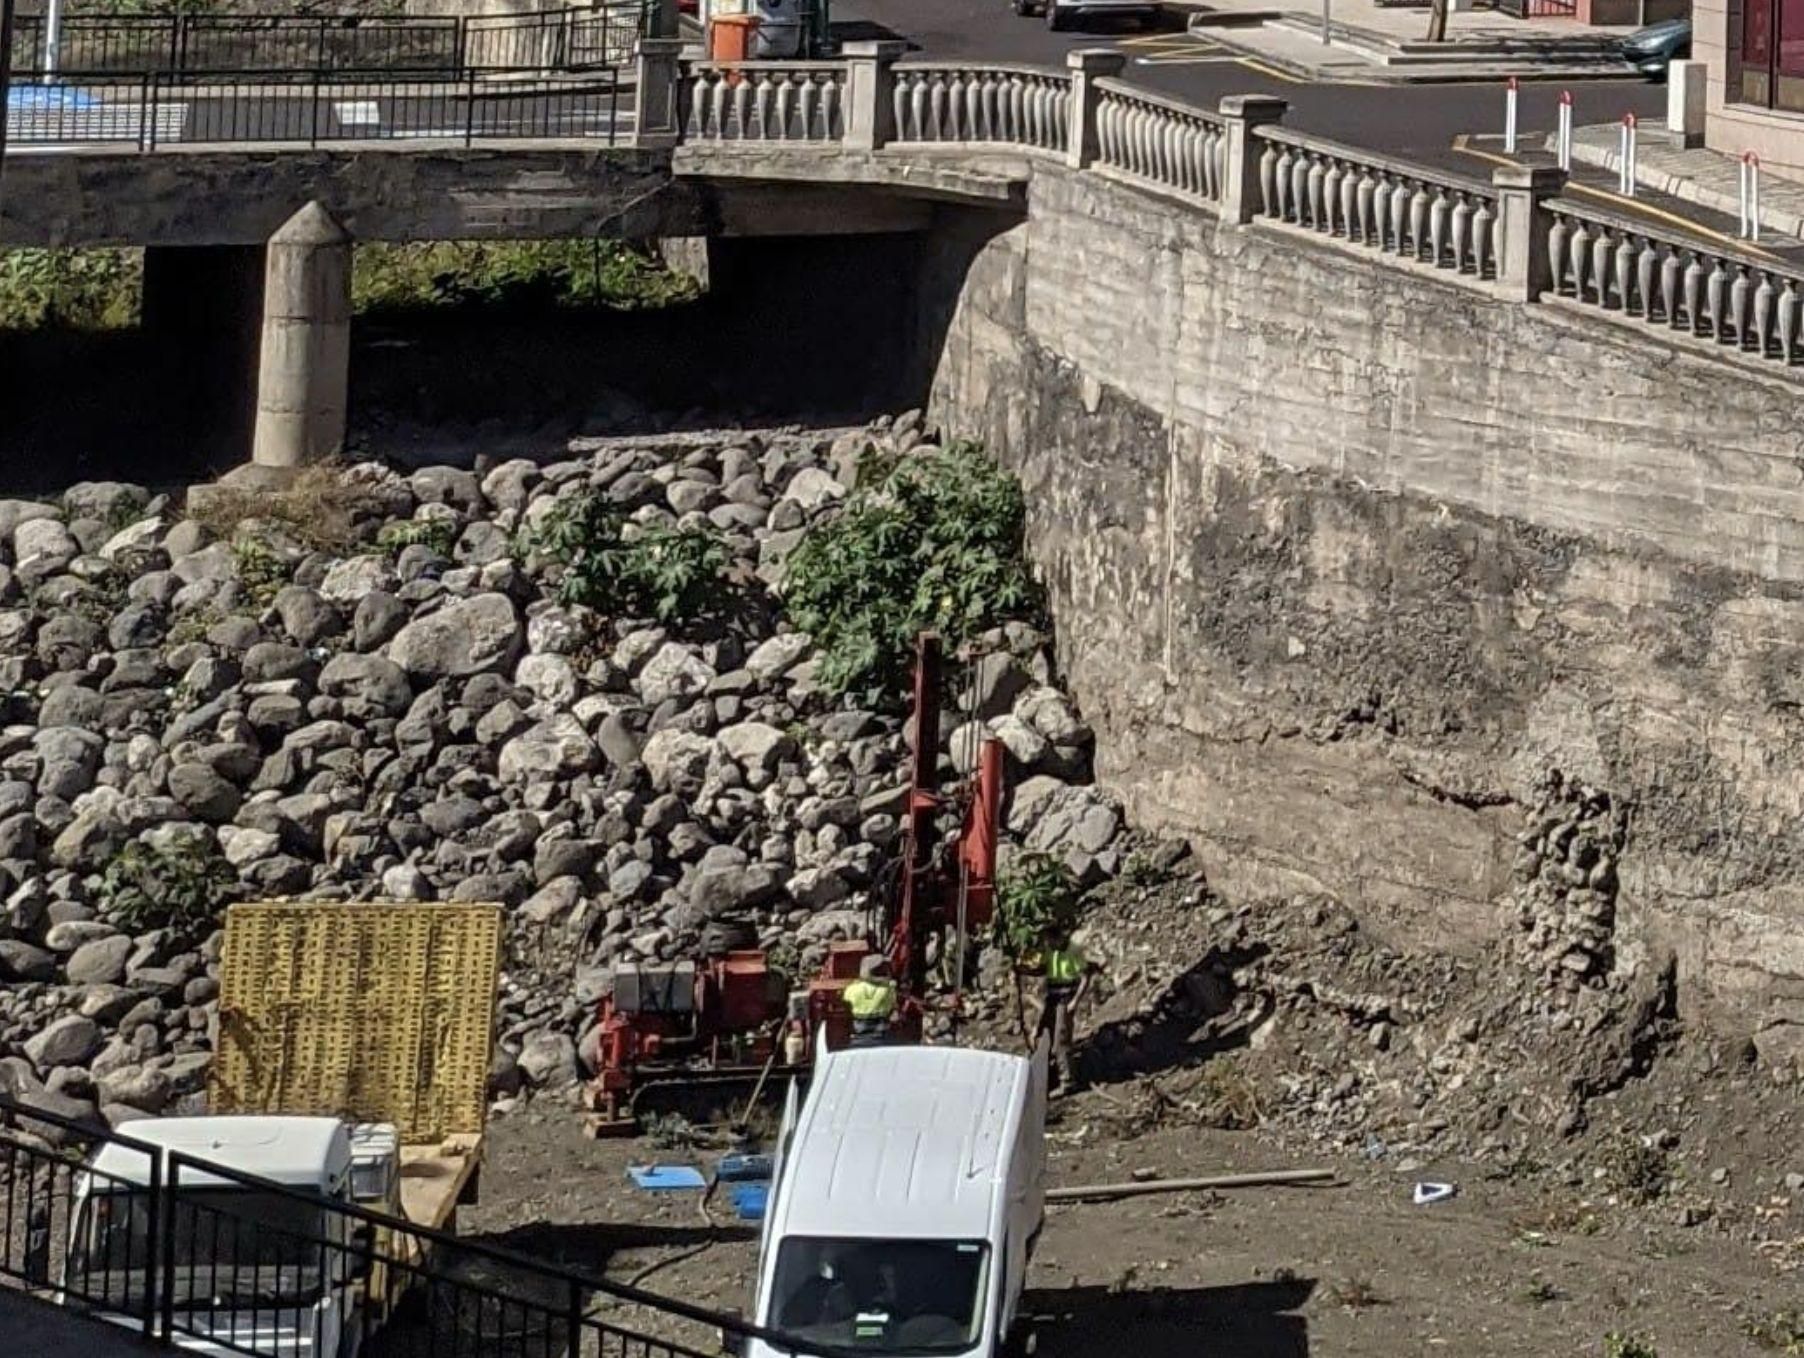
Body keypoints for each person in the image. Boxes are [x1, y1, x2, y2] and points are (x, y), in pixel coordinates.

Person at [1029, 926, 1092, 1091]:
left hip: (1065, 999)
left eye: (1049, 940)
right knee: (1042, 1035)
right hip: (1052, 998)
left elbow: (1085, 977)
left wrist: (1075, 1002)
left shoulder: (1073, 951)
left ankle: (1067, 1081)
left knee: (1061, 1040)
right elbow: (1042, 969)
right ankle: (1048, 1076)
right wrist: (1024, 970)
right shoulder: (1051, 951)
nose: (1047, 944)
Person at [843, 954, 897, 1047]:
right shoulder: (888, 990)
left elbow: (846, 1001)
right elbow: (892, 1005)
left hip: (859, 1031)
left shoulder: (852, 989)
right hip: (881, 1034)